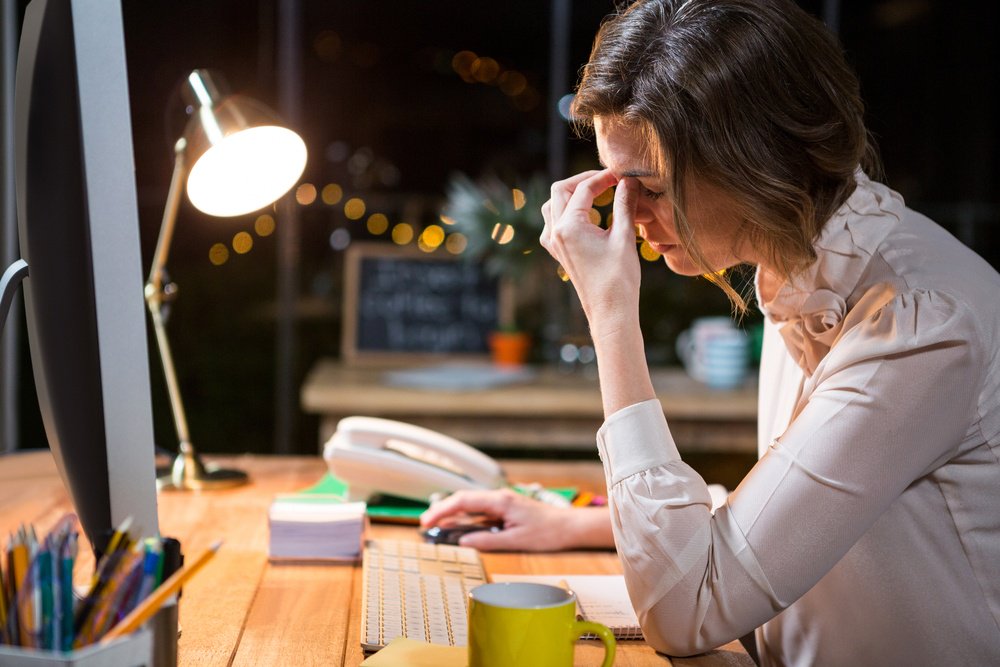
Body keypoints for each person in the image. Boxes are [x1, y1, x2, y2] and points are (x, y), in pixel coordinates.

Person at [421, 0, 1000, 663]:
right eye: (618, 185)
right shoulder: (802, 269)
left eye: (652, 188)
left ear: (758, 161)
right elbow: (795, 502)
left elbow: (685, 611)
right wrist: (575, 523)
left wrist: (611, 314)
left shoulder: (920, 324)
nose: (628, 216)